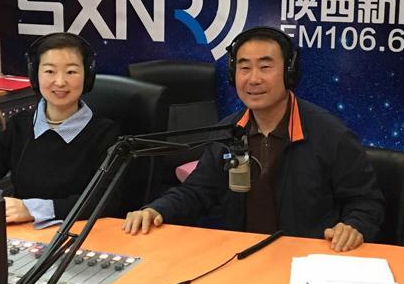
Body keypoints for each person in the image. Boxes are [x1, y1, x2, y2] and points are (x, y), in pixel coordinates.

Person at [123, 27, 384, 251]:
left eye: (265, 67)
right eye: (244, 68)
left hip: (306, 262)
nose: (253, 79)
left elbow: (366, 202)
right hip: (242, 258)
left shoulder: (330, 134)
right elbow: (197, 191)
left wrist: (353, 226)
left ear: (289, 73)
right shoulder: (228, 132)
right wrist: (156, 210)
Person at [0, 33, 120, 227]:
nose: (60, 82)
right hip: (21, 233)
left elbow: (108, 201)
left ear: (88, 76)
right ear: (35, 75)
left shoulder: (105, 133)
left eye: (71, 72)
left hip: (77, 234)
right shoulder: (19, 126)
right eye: (50, 71)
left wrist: (33, 210)